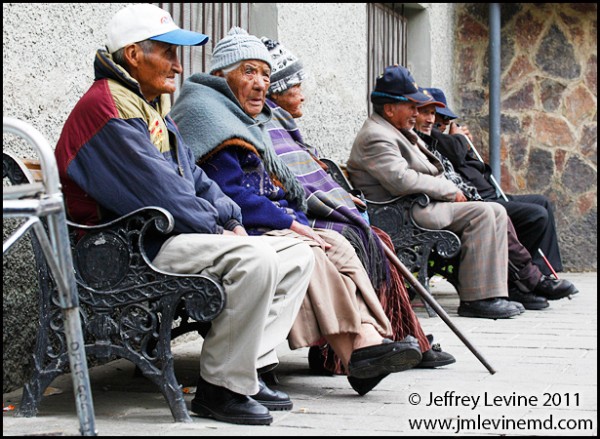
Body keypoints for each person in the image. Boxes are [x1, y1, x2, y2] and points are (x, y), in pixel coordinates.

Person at [54, 4, 316, 426]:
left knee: (298, 254)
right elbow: (163, 194)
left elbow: (193, 175)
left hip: (159, 238)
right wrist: (223, 231)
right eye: (168, 53)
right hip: (122, 252)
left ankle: (248, 368)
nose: (178, 66)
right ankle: (220, 389)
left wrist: (230, 220)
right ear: (134, 55)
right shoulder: (108, 109)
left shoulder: (144, 100)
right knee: (255, 259)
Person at [171, 27, 423, 397]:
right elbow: (232, 195)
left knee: (339, 245)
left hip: (258, 222)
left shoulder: (239, 115)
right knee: (313, 252)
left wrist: (300, 222)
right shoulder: (205, 113)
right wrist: (291, 224)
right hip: (233, 228)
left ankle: (370, 340)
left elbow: (274, 187)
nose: (260, 84)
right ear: (222, 75)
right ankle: (358, 349)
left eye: (265, 74)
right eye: (248, 72)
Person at [259, 37, 456, 371]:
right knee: (361, 237)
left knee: (371, 237)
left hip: (311, 212)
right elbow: (290, 183)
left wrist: (337, 196)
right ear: (278, 91)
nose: (303, 93)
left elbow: (307, 173)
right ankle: (341, 352)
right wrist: (333, 200)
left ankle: (398, 337)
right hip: (296, 217)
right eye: (296, 85)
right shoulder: (267, 125)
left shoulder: (282, 123)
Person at [347, 65, 521, 320]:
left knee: (495, 211)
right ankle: (478, 298)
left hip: (416, 205)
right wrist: (449, 190)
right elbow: (401, 180)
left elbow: (425, 170)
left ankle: (490, 294)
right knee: (484, 213)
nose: (417, 114)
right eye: (413, 107)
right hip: (402, 212)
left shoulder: (395, 131)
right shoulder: (376, 135)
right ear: (390, 108)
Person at [414, 96, 577, 309]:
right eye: (429, 115)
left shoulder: (429, 139)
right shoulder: (426, 140)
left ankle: (534, 278)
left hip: (473, 197)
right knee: (518, 213)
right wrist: (459, 141)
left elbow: (471, 167)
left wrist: (466, 148)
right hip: (444, 205)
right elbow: (407, 176)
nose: (436, 122)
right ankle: (522, 283)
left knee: (537, 204)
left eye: (436, 116)